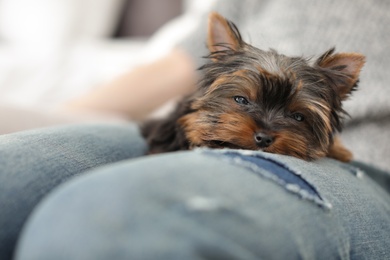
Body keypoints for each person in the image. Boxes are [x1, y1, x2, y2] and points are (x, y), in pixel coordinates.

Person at [0, 0, 389, 259]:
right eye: (243, 101)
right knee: (12, 169)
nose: (265, 129)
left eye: (298, 115)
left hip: (338, 166)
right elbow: (179, 65)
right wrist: (50, 118)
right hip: (180, 127)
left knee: (109, 211)